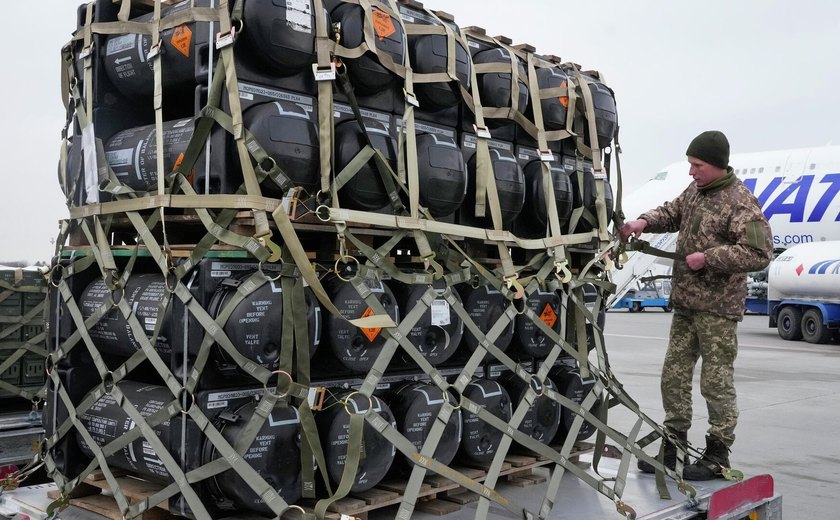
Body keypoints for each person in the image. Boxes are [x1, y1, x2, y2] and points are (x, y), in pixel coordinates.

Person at [620, 130, 773, 480]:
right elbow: (672, 212)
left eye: (697, 165)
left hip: (717, 309)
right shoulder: (696, 192)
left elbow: (759, 253)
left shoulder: (740, 202)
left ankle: (718, 453)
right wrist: (643, 221)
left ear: (717, 165)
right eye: (690, 164)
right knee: (672, 376)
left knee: (715, 383)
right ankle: (673, 445)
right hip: (687, 304)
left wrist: (710, 258)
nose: (691, 171)